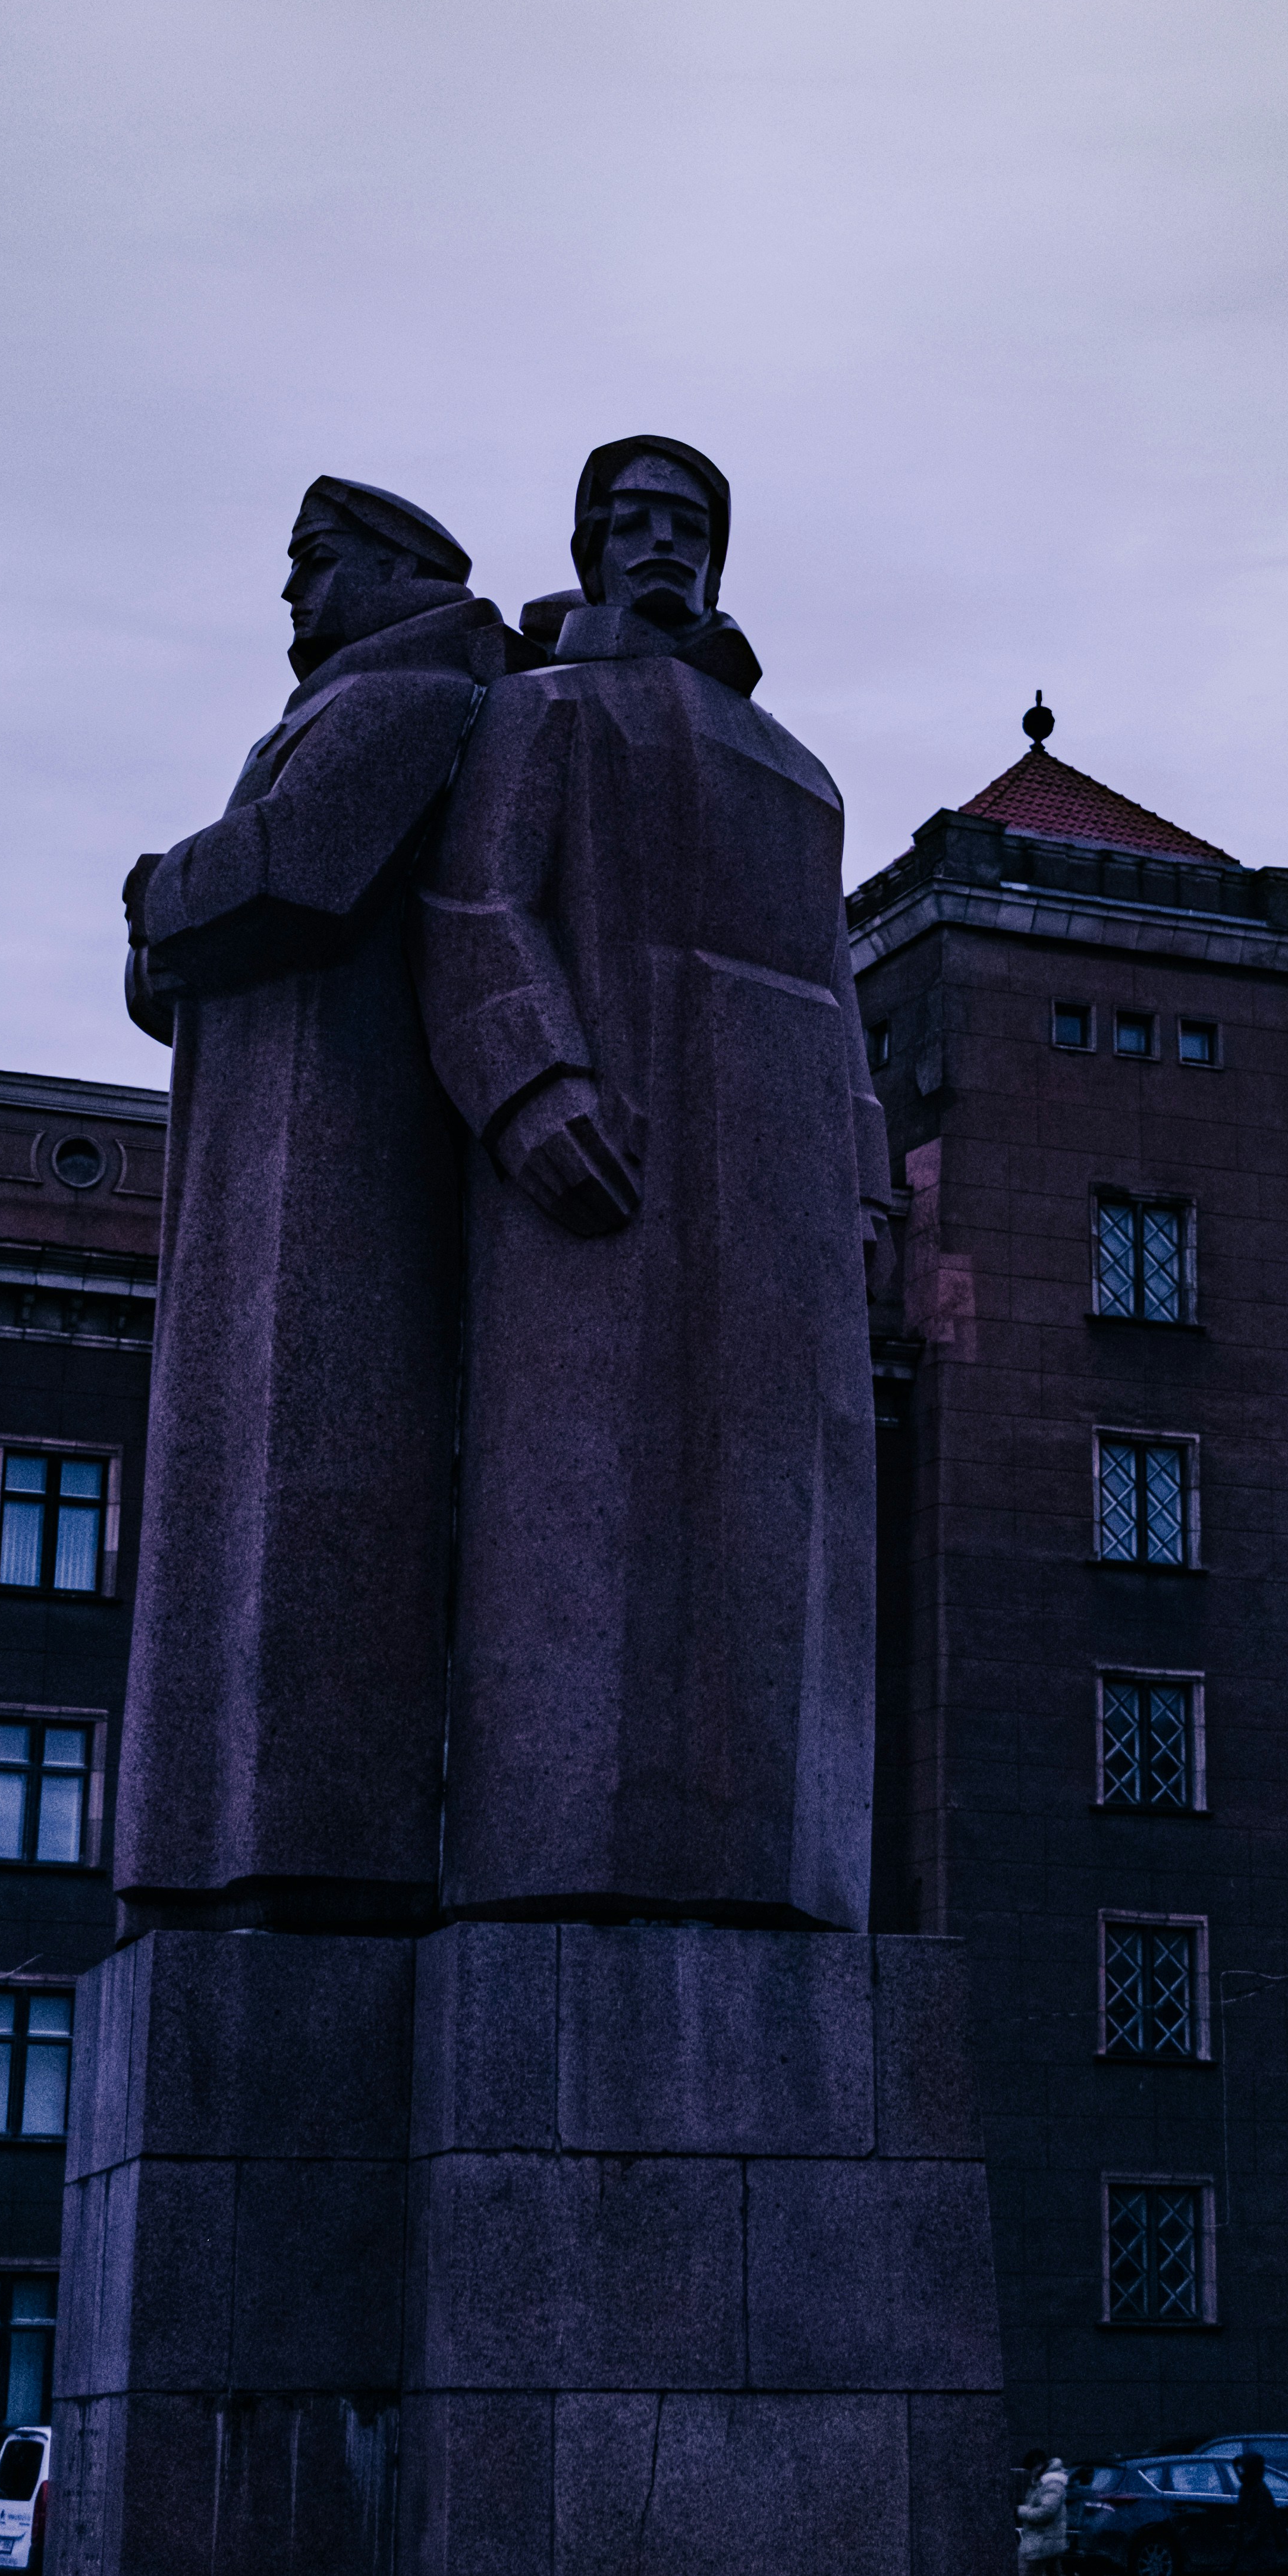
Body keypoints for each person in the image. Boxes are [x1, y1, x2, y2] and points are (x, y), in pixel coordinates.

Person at [419, 438, 893, 1922]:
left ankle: (782, 1877)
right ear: (585, 546)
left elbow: (842, 997)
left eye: (686, 525)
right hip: (606, 1172)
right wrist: (532, 1085)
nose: (660, 545)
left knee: (784, 1545)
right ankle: (563, 1868)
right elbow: (476, 904)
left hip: (785, 1197)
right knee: (581, 1519)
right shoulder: (540, 714)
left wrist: (869, 1191)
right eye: (630, 523)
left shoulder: (799, 777)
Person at [113, 476, 517, 1917]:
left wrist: (160, 885)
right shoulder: (331, 709)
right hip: (265, 1152)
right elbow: (170, 974)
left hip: (338, 1160)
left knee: (303, 1487)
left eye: (313, 563)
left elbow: (300, 870)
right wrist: (178, 915)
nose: (289, 592)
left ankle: (297, 1852)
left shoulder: (412, 696)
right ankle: (234, 1855)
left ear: (401, 568)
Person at [1017, 2452, 1092, 2576]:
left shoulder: (1052, 2484)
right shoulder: (1046, 2482)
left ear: (1038, 2465)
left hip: (1043, 2541)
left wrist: (1020, 2511)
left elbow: (1045, 2512)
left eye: (1031, 2469)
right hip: (1046, 2540)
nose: (1031, 2474)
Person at [1231, 2444, 1284, 2576]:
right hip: (1252, 2546)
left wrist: (1249, 2540)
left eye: (1245, 2468)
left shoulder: (1258, 2490)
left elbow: (1262, 2521)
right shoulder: (1250, 2488)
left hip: (1257, 2548)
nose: (1241, 2472)